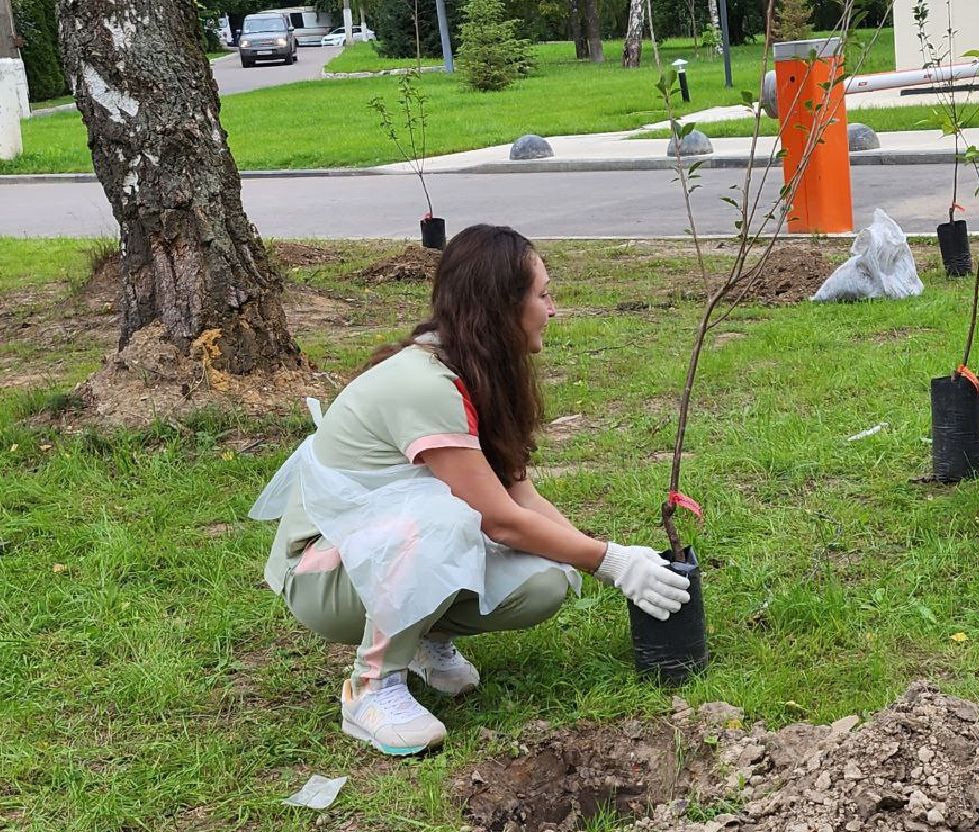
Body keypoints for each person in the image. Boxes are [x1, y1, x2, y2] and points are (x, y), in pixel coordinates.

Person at [251, 225, 692, 756]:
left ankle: (422, 639)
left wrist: (607, 555)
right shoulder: (422, 385)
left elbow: (521, 499)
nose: (554, 309)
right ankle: (371, 688)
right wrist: (611, 561)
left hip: (380, 553)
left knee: (545, 580)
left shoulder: (473, 375)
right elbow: (497, 519)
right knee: (450, 518)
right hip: (321, 576)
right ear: (503, 305)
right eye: (544, 294)